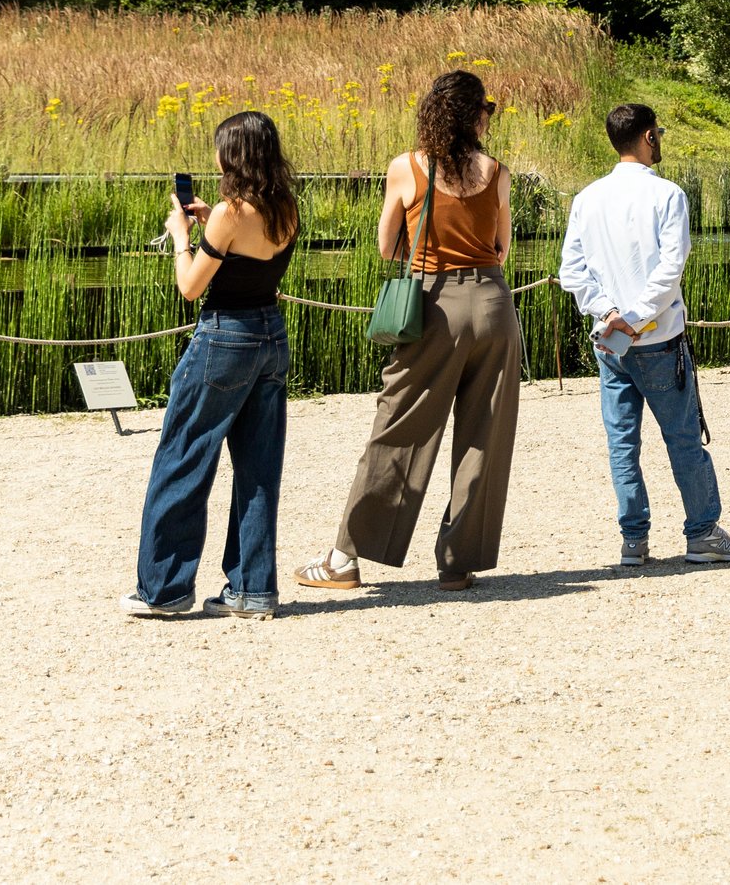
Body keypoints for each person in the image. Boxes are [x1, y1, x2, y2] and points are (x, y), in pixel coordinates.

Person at [297, 70, 525, 593]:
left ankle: (345, 557)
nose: (491, 115)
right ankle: (457, 562)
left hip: (434, 305)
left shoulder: (407, 167)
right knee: (485, 438)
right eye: (486, 107)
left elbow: (386, 246)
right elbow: (501, 248)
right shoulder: (497, 172)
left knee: (399, 426)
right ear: (473, 115)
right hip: (493, 304)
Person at [554, 103, 730, 567]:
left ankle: (634, 539)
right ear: (647, 137)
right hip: (658, 336)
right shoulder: (667, 195)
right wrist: (639, 315)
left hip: (610, 341)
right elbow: (671, 266)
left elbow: (572, 271)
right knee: (682, 438)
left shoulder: (587, 198)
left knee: (623, 443)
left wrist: (609, 312)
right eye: (658, 132)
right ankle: (702, 531)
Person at [122, 112, 300, 619]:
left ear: (236, 156)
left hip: (225, 337)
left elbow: (190, 286)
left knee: (182, 457)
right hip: (271, 334)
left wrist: (182, 234)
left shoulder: (228, 213)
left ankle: (164, 587)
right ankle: (251, 586)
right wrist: (208, 221)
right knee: (258, 467)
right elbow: (247, 252)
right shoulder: (285, 206)